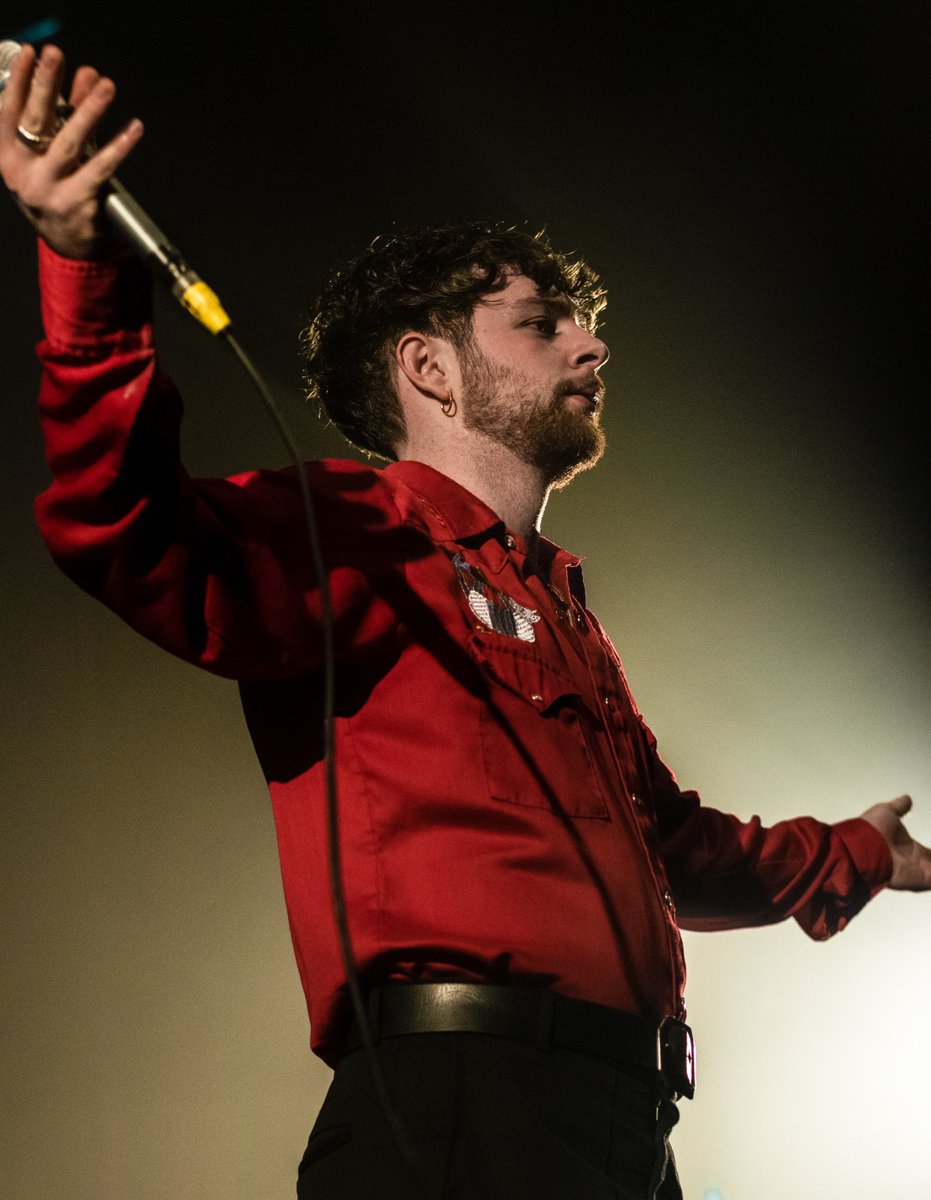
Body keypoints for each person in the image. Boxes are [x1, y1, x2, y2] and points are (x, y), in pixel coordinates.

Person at [3, 43, 930, 1200]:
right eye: (542, 322)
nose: (592, 345)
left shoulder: (565, 613)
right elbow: (122, 527)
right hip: (461, 1115)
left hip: (625, 1130)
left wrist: (861, 852)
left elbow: (676, 850)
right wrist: (84, 270)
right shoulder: (348, 526)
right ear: (428, 369)